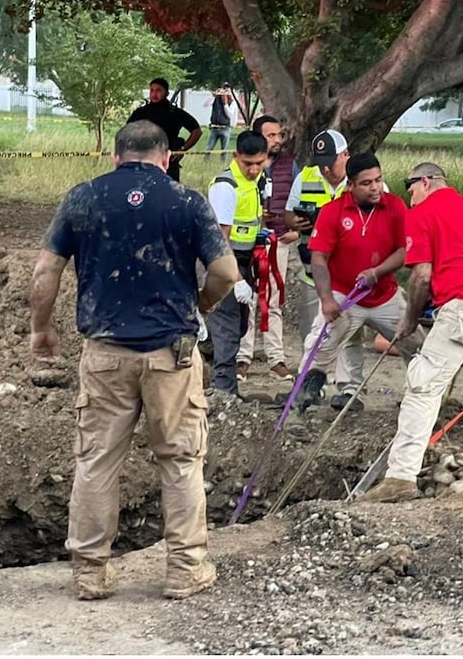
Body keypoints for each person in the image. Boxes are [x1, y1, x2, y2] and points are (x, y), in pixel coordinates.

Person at [28, 120, 236, 600]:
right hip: (171, 355)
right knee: (181, 461)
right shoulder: (186, 201)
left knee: (97, 461)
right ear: (166, 157)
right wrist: (201, 305)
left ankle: (89, 573)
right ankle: (185, 570)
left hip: (105, 354)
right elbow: (225, 272)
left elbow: (45, 270)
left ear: (116, 156)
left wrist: (41, 328)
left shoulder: (83, 197)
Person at [359, 164, 463, 503]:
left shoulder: (422, 213)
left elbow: (421, 276)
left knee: (423, 386)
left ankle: (401, 476)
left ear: (425, 182)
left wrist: (410, 319)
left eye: (411, 189)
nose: (410, 197)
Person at [296, 153, 426, 408]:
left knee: (418, 345)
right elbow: (319, 258)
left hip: (385, 296)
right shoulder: (332, 211)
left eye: (378, 180)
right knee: (319, 347)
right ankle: (304, 397)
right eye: (366, 183)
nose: (375, 187)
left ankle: (425, 396)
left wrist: (376, 272)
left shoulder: (395, 206)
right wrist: (326, 299)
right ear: (350, 185)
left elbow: (404, 250)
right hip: (344, 294)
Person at [284, 129, 365, 410]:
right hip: (312, 272)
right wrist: (296, 221)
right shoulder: (306, 177)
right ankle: (309, 388)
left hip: (349, 275)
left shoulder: (364, 181)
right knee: (312, 332)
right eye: (321, 163)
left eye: (331, 162)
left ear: (346, 155)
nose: (326, 169)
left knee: (349, 332)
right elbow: (288, 213)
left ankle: (349, 390)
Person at [205, 130, 269, 397]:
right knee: (228, 324)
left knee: (239, 325)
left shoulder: (256, 182)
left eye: (259, 163)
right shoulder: (226, 187)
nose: (253, 169)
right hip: (222, 264)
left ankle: (205, 352)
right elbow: (220, 240)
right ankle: (224, 390)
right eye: (248, 164)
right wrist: (238, 279)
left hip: (243, 260)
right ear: (235, 156)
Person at [237, 114, 299, 382]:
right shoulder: (245, 169)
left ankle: (276, 358)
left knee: (274, 300)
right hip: (249, 244)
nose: (277, 140)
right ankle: (242, 357)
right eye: (270, 135)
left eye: (279, 135)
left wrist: (295, 229)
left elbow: (298, 199)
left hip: (279, 241)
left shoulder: (289, 165)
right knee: (247, 299)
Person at [127, 78, 202, 182]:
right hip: (145, 161)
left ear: (166, 93)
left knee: (169, 190)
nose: (154, 94)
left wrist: (183, 149)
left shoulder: (175, 113)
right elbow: (127, 132)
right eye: (152, 90)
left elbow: (197, 131)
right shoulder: (141, 113)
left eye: (158, 90)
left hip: (168, 163)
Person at [206, 83, 235, 159]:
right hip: (214, 128)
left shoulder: (232, 102)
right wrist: (214, 96)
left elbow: (229, 115)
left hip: (225, 128)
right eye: (224, 90)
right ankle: (205, 162)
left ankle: (223, 163)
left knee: (224, 150)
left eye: (227, 91)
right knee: (208, 148)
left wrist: (225, 104)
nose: (225, 93)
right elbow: (206, 105)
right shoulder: (215, 99)